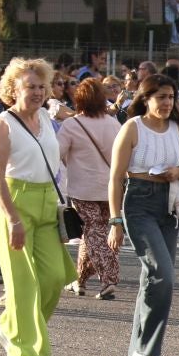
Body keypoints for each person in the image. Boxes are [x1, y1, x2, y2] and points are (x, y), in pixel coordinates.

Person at [0, 57, 71, 356]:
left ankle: (11, 327)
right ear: (13, 89)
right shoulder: (2, 123)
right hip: (16, 202)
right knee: (22, 282)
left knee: (54, 278)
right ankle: (21, 352)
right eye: (30, 87)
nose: (37, 92)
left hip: (48, 202)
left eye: (41, 86)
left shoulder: (48, 119)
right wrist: (13, 219)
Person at [105, 72, 179, 356]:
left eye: (171, 96)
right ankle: (148, 351)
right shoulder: (132, 128)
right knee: (162, 275)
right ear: (146, 98)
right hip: (138, 202)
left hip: (169, 205)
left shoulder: (176, 129)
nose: (168, 102)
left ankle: (135, 355)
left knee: (152, 279)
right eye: (161, 97)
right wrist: (115, 221)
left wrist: (178, 172)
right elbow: (115, 178)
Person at [59, 76, 120, 301]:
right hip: (111, 188)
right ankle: (79, 280)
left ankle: (109, 278)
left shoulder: (72, 125)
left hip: (82, 188)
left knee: (93, 232)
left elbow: (57, 153)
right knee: (96, 232)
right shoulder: (114, 124)